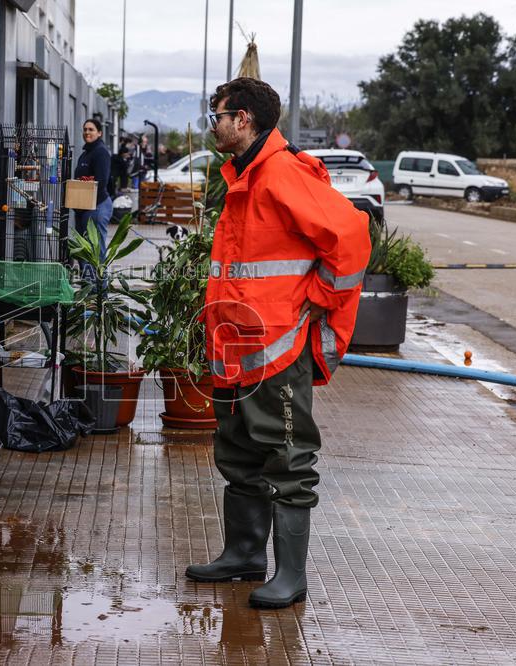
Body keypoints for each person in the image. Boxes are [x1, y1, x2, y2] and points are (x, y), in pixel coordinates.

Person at [186, 78, 370, 608]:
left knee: (288, 461)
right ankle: (244, 555)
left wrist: (319, 297)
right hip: (236, 348)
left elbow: (353, 238)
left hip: (276, 348)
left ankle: (291, 577)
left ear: (242, 120)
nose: (213, 124)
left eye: (216, 115)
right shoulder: (245, 174)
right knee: (239, 453)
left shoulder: (283, 173)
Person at [73, 118, 112, 260]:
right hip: (84, 207)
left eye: (91, 129)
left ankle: (100, 282)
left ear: (99, 133)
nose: (87, 132)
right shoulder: (85, 154)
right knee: (83, 249)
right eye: (85, 129)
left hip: (97, 206)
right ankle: (87, 282)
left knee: (95, 249)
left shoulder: (100, 152)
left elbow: (101, 182)